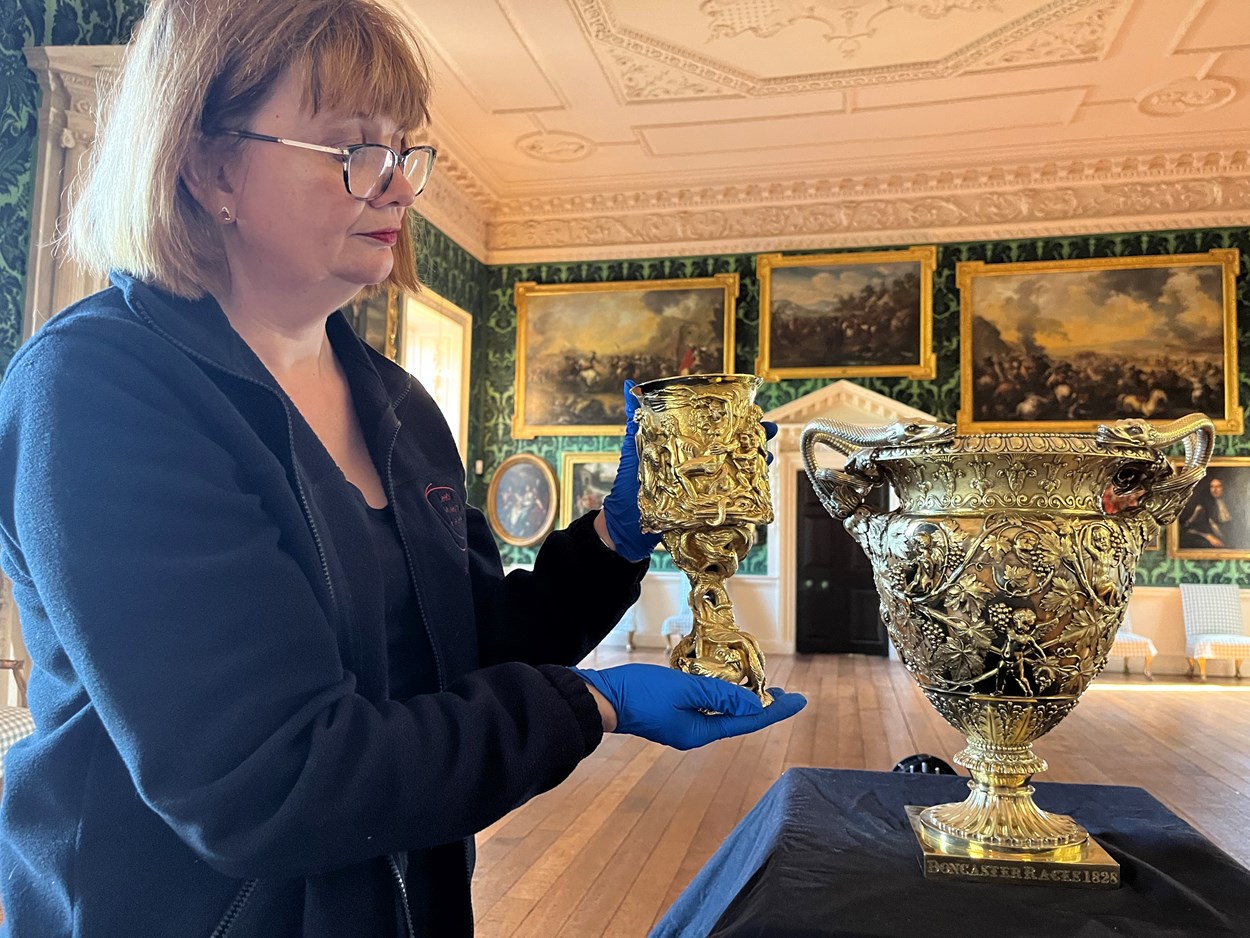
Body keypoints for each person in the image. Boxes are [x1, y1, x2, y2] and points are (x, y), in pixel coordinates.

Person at [0, 2, 805, 935]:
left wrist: (612, 540)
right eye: (351, 149)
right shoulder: (100, 391)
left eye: (403, 150)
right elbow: (273, 779)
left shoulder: (397, 404)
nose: (397, 187)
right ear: (207, 162)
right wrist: (595, 705)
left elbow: (464, 654)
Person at [1179, 476, 1236, 549]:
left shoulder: (1232, 503)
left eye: (1218, 486)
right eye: (1212, 487)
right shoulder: (1204, 506)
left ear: (1224, 488)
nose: (1214, 490)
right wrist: (1207, 536)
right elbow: (1188, 527)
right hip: (1217, 539)